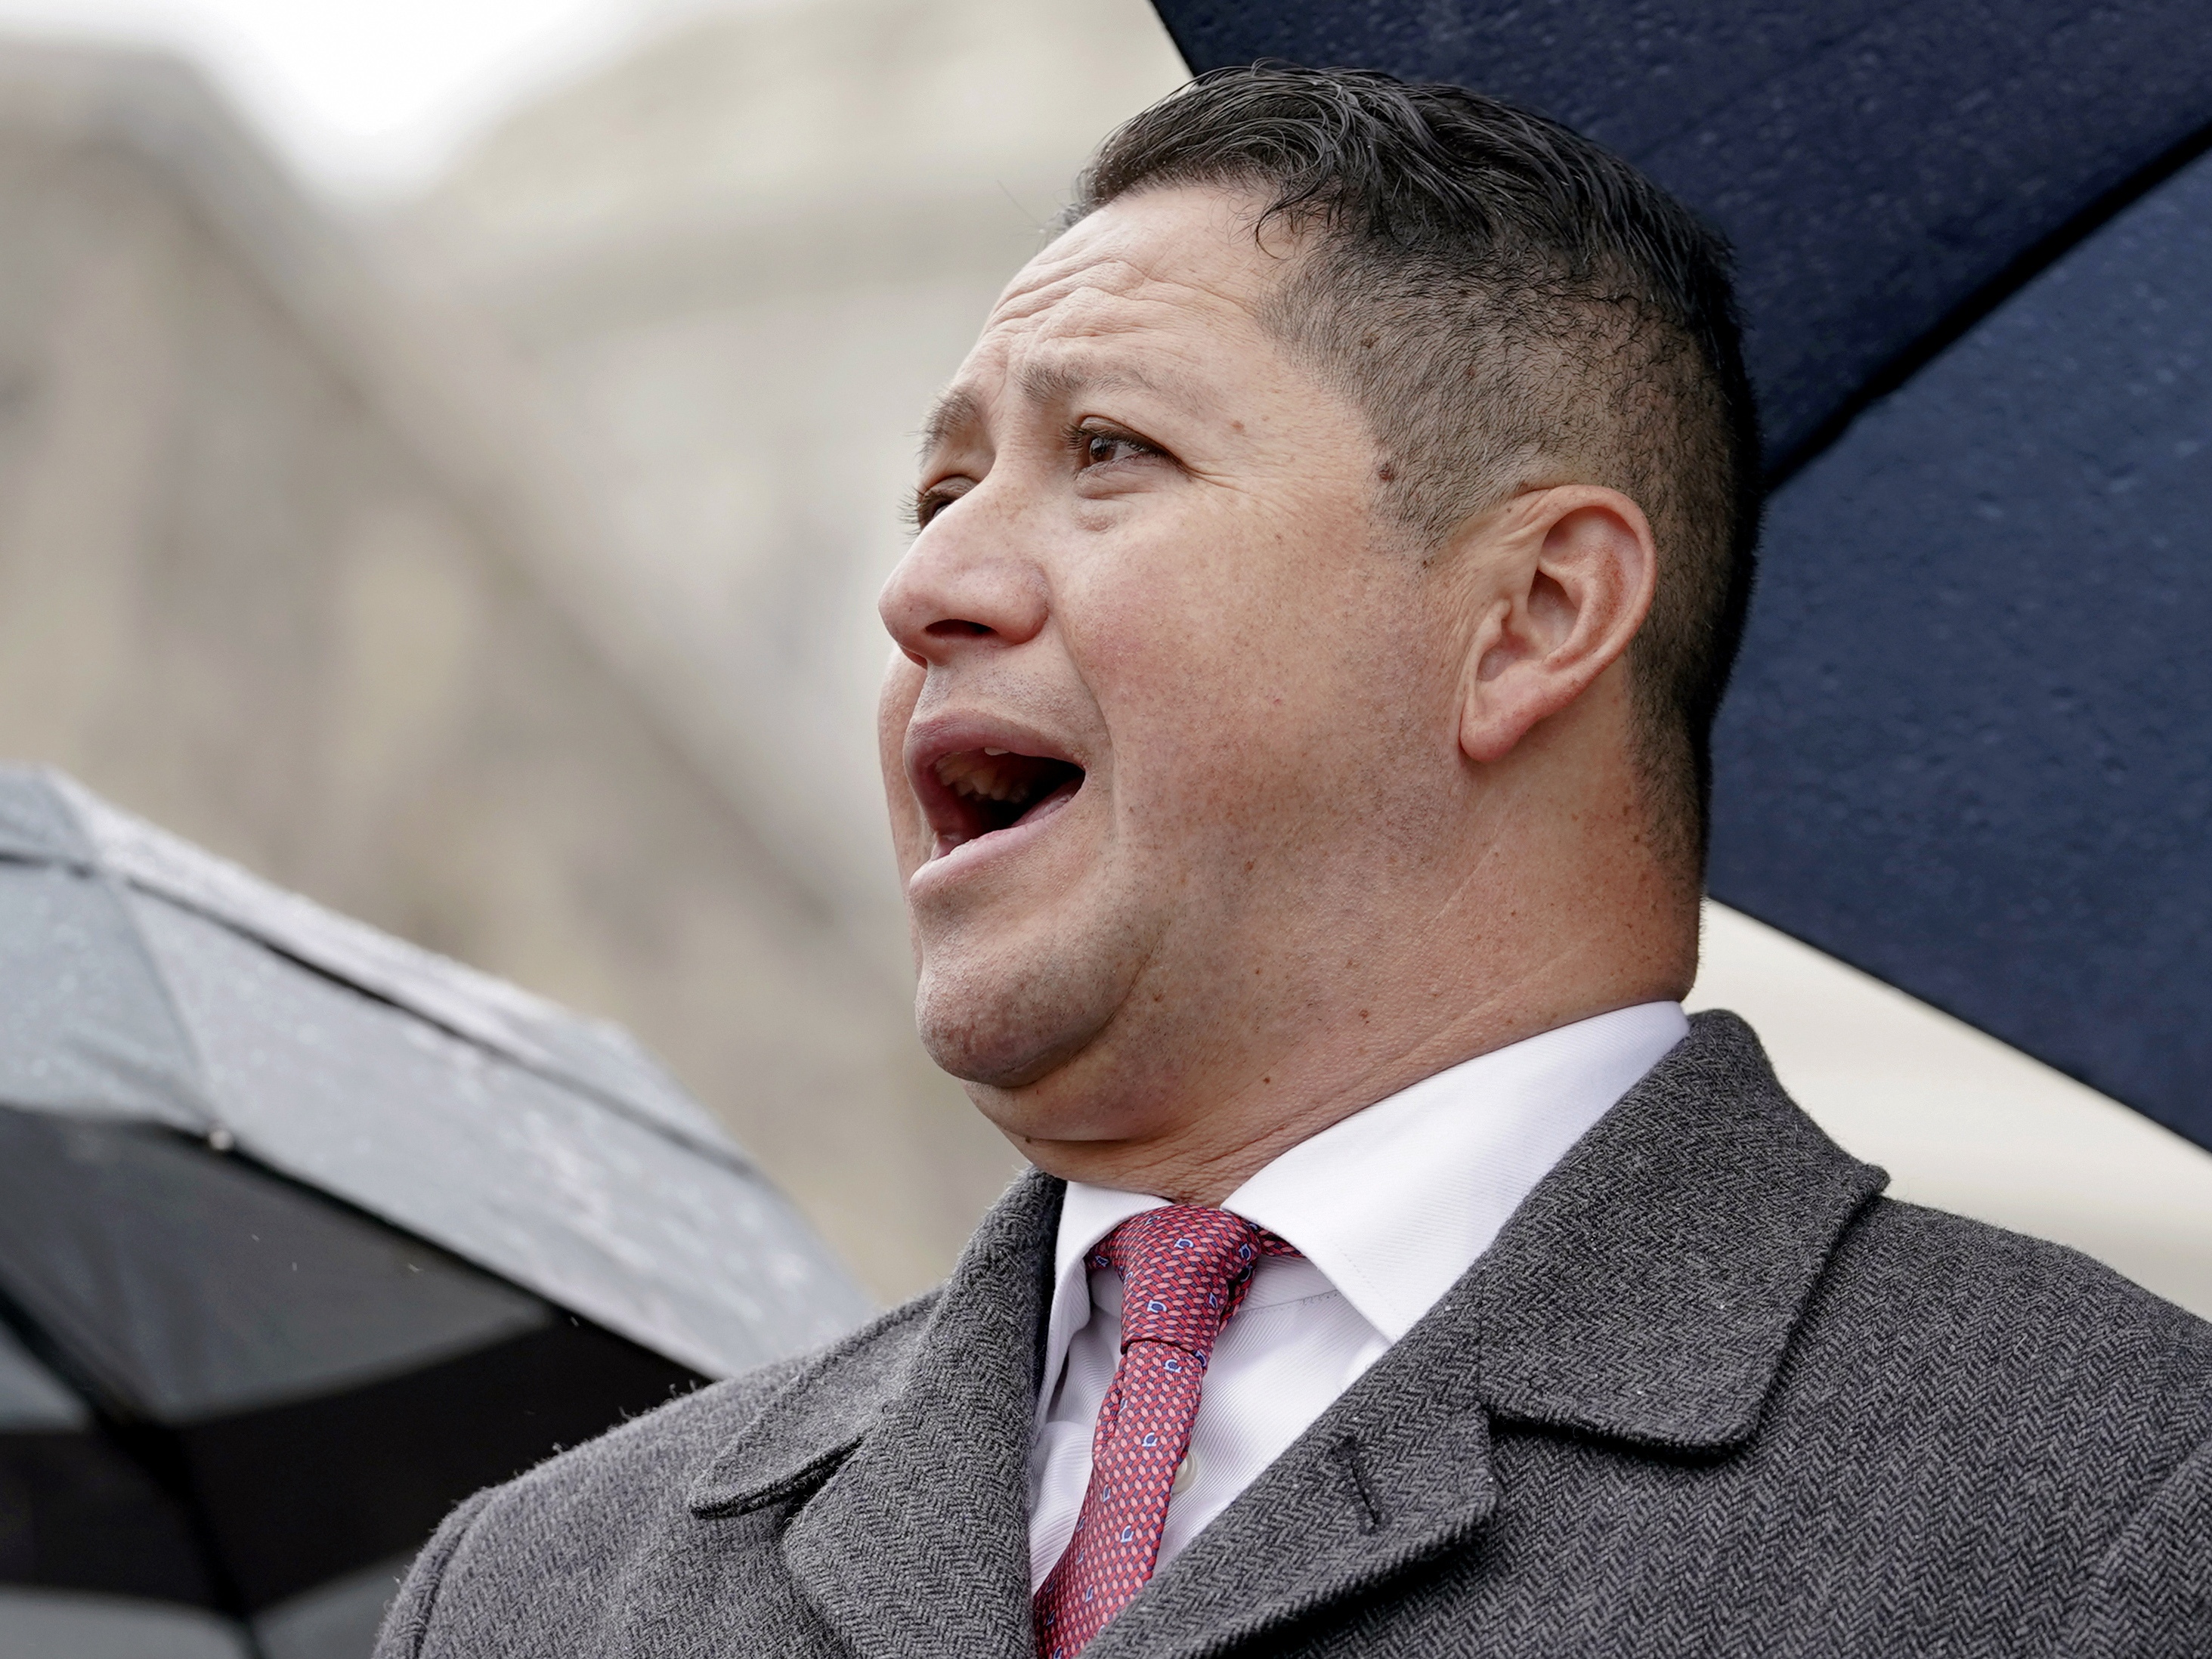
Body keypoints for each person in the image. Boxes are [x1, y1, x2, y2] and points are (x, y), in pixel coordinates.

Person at [375, 66, 2211, 1659]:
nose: (926, 586)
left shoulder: (2115, 1519)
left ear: (1534, 614)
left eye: (1110, 452)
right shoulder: (541, 1592)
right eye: (941, 493)